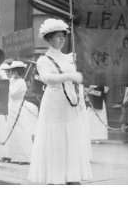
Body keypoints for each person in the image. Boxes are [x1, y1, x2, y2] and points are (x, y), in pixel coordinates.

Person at [28, 19, 92, 184]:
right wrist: (69, 76)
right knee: (56, 136)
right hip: (54, 101)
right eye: (57, 37)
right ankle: (55, 177)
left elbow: (82, 73)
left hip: (69, 100)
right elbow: (47, 78)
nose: (61, 39)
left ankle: (71, 176)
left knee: (70, 134)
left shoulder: (70, 58)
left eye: (63, 36)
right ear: (49, 39)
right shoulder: (43, 60)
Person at [4, 61, 38, 164]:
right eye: (13, 70)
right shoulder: (12, 81)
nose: (15, 73)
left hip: (18, 107)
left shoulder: (21, 82)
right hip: (10, 107)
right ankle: (11, 155)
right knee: (10, 129)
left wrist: (8, 89)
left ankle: (23, 157)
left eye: (17, 71)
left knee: (20, 130)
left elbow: (13, 94)